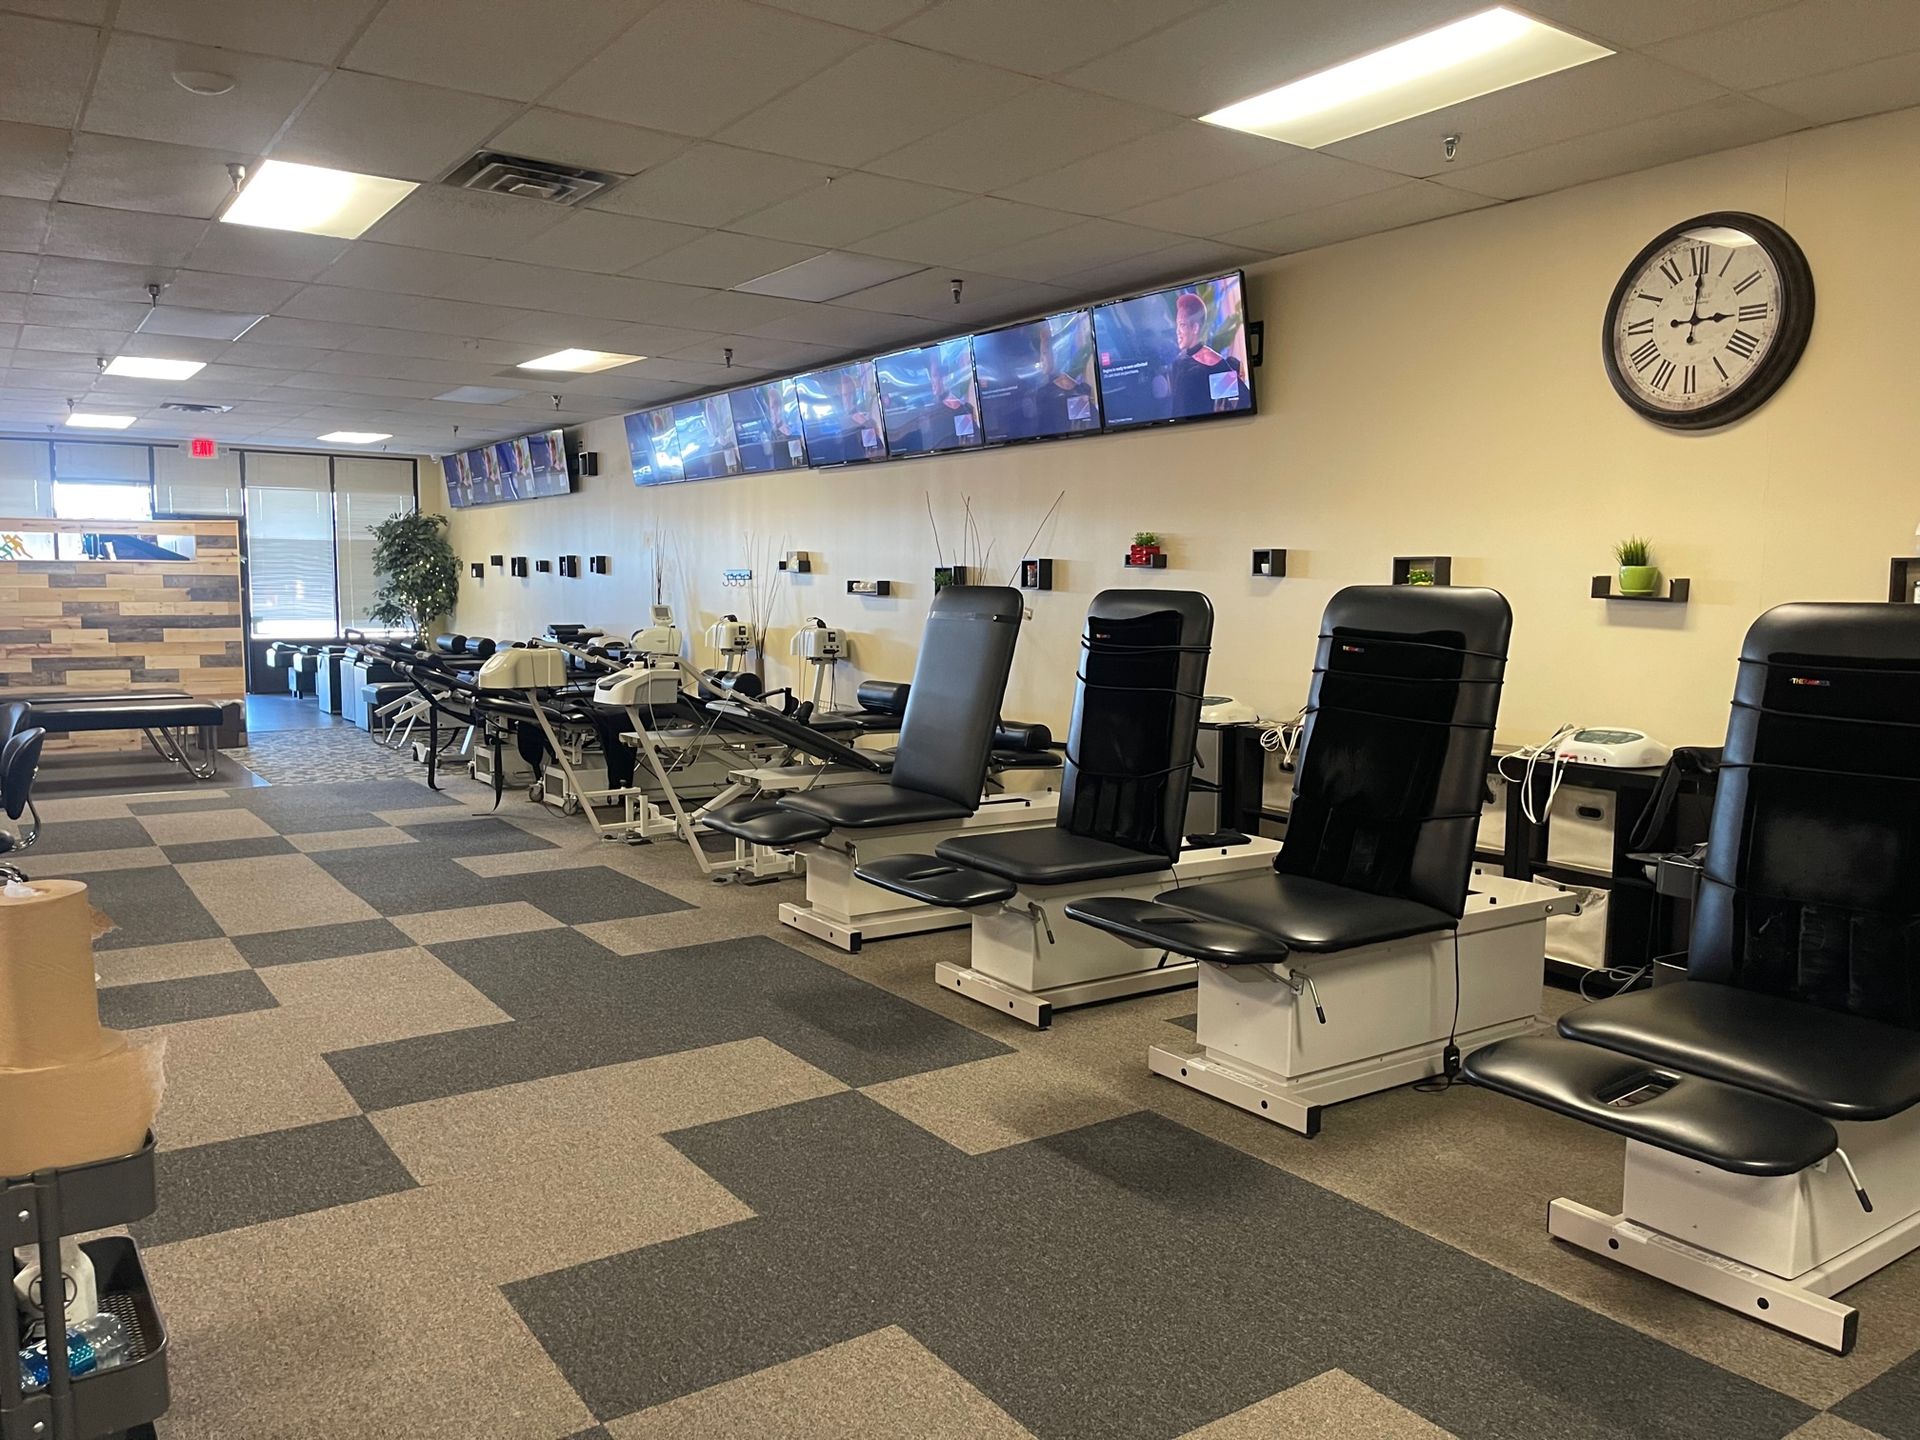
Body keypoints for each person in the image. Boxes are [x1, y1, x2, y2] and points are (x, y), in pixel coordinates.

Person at [1168, 290, 1246, 416]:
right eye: (1177, 325)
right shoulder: (1178, 362)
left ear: (1195, 328)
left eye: (1182, 325)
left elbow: (1243, 400)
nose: (1178, 331)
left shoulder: (1212, 362)